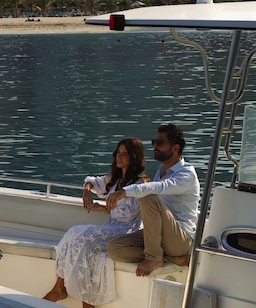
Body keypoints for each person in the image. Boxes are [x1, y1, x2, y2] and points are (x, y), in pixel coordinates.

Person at [43, 138, 148, 307]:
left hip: (126, 230)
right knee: (72, 233)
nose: (119, 157)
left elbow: (129, 215)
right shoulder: (114, 179)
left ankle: (83, 301)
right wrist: (87, 192)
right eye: (118, 153)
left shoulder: (140, 184)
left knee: (85, 240)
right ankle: (59, 288)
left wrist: (103, 208)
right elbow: (92, 181)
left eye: (124, 154)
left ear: (134, 157)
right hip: (111, 226)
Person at [105, 123, 200, 276]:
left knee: (148, 198)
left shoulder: (186, 173)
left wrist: (124, 191)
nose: (155, 146)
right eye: (154, 142)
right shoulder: (161, 170)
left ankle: (154, 258)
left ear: (175, 148)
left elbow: (160, 187)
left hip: (180, 239)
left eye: (160, 143)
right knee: (114, 249)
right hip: (158, 235)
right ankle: (170, 259)